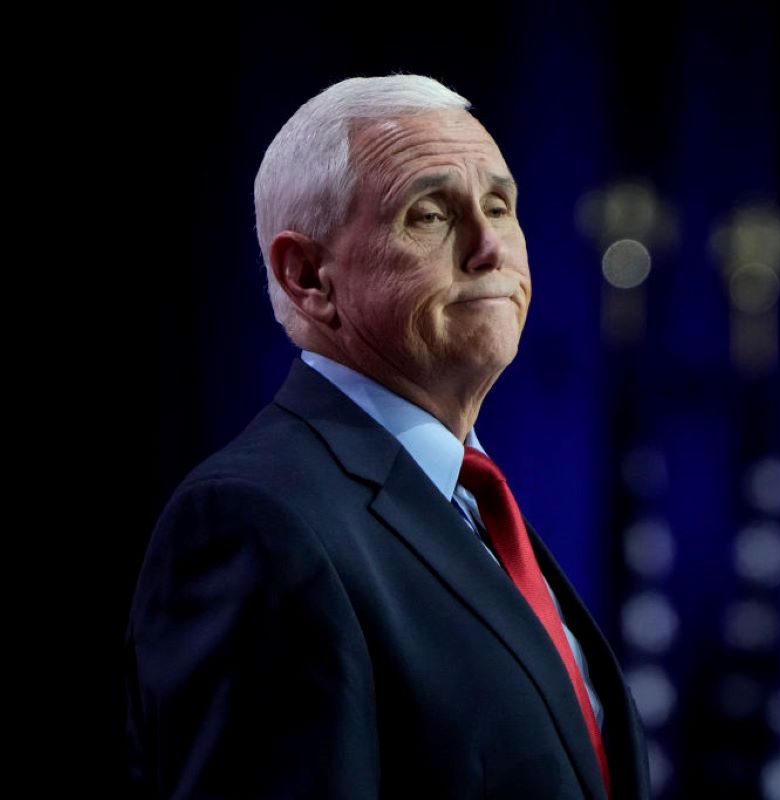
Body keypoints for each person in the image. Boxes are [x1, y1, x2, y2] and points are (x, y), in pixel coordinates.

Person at [125, 74, 650, 799]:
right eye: (431, 214)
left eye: (499, 206)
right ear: (308, 276)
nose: (489, 248)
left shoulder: (469, 501)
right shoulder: (258, 523)